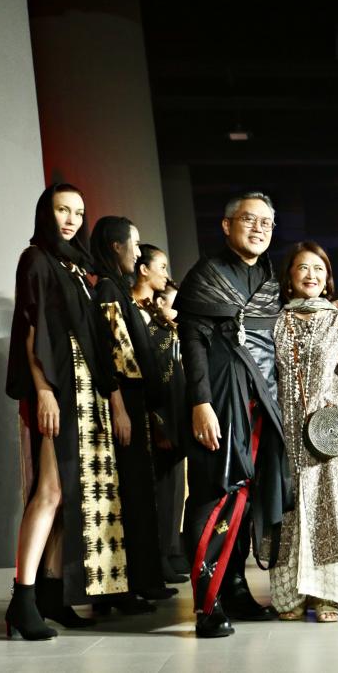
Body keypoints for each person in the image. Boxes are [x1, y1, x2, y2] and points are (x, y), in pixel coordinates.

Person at [5, 184, 127, 639]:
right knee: (50, 491)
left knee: (66, 496)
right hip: (57, 385)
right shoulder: (36, 259)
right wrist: (43, 390)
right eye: (62, 209)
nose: (72, 219)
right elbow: (31, 328)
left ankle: (51, 596)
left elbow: (96, 339)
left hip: (85, 389)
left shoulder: (77, 267)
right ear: (47, 213)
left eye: (78, 211)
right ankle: (22, 599)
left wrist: (113, 399)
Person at [176, 192, 288, 637]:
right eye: (248, 219)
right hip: (220, 400)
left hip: (261, 404)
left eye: (267, 222)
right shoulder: (206, 275)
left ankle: (237, 588)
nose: (259, 228)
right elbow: (192, 342)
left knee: (248, 495)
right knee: (214, 492)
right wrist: (200, 402)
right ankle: (208, 604)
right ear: (226, 225)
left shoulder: (270, 279)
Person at [270, 242, 338, 623]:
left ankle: (328, 597)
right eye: (303, 268)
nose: (311, 275)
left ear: (327, 277)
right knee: (290, 511)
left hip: (328, 434)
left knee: (330, 511)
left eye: (319, 268)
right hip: (284, 431)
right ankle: (290, 597)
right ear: (289, 276)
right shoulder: (276, 321)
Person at [90, 217, 169, 610]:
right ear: (115, 246)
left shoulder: (116, 287)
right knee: (129, 493)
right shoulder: (107, 288)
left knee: (140, 491)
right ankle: (126, 587)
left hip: (136, 399)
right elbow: (113, 353)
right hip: (124, 400)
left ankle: (144, 581)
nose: (138, 253)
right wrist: (119, 407)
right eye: (134, 244)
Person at [132, 248, 189, 585]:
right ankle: (156, 558)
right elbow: (146, 372)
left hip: (172, 411)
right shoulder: (133, 312)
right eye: (162, 267)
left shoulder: (156, 318)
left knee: (171, 489)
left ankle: (167, 553)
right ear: (143, 269)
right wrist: (159, 420)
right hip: (153, 415)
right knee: (157, 491)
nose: (166, 274)